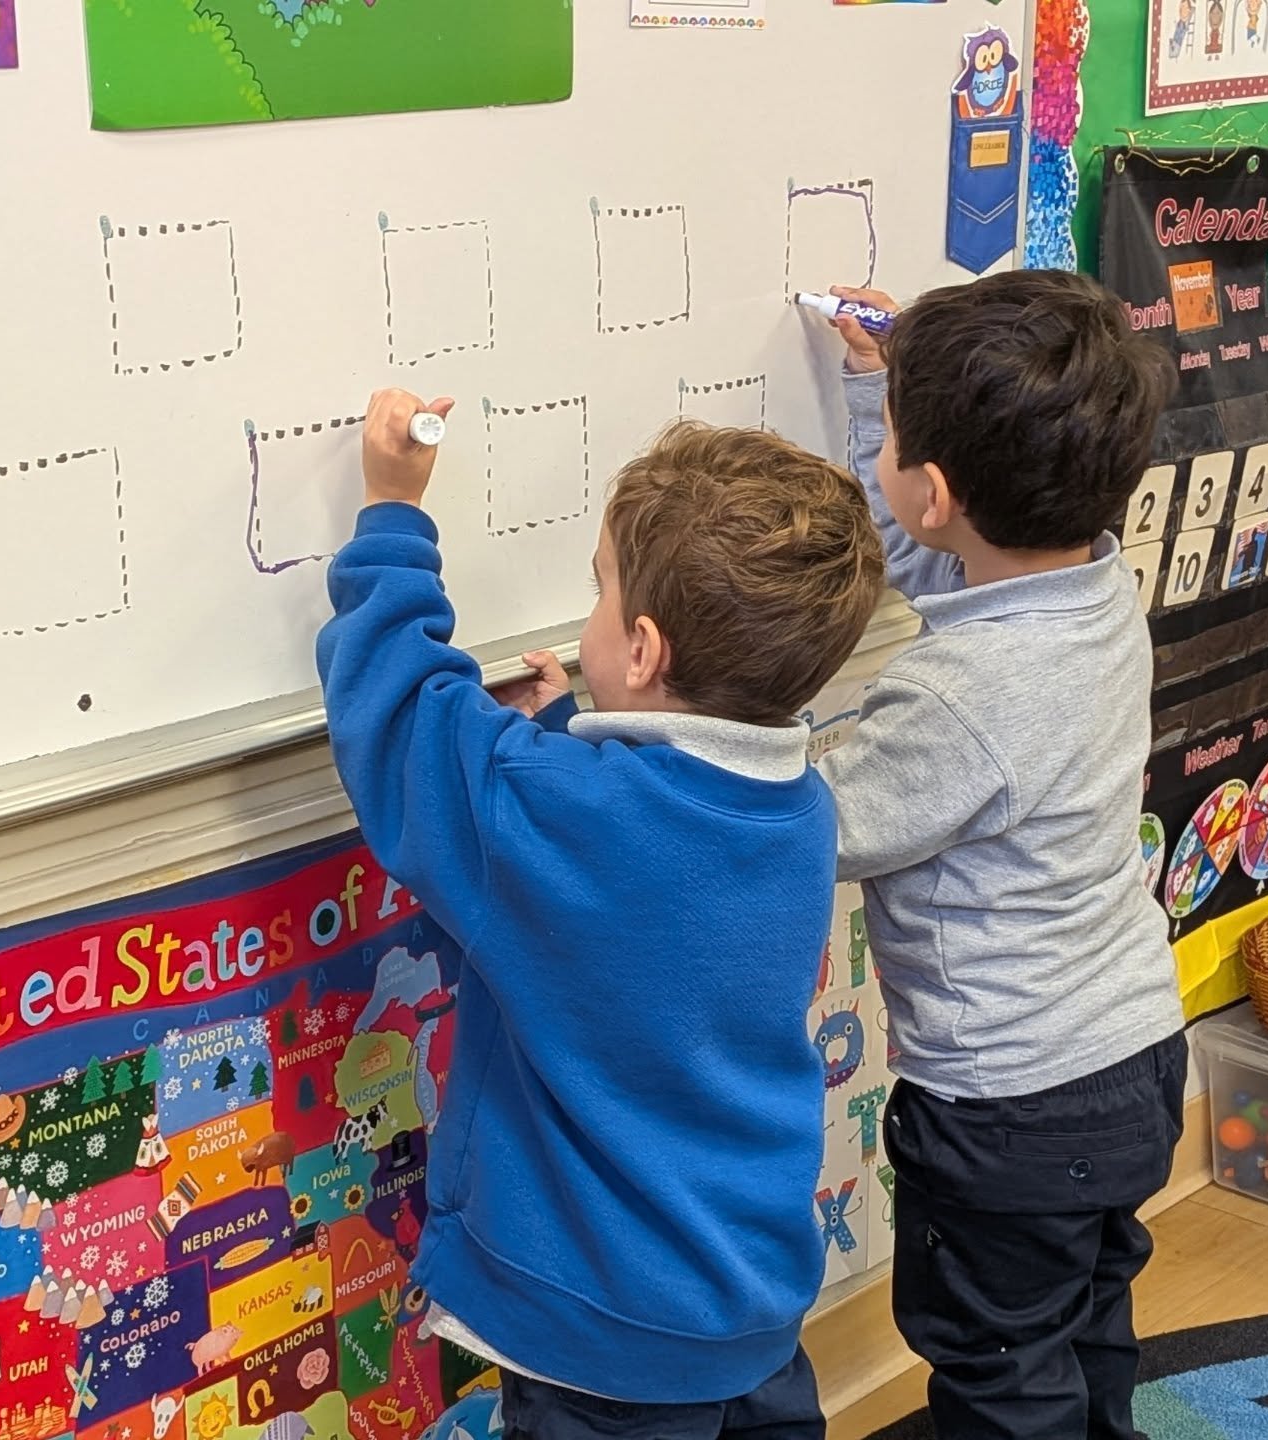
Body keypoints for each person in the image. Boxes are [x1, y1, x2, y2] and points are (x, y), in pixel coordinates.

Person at [317, 389, 883, 1436]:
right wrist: (578, 726)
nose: (588, 618)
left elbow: (398, 720)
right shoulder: (794, 805)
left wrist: (393, 512)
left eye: (600, 593)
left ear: (646, 650)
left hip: (603, 1337)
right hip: (746, 1300)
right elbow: (654, 842)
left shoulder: (558, 811)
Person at [812, 273, 1188, 1440]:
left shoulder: (960, 694)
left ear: (933, 491)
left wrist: (679, 733)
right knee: (1082, 1323)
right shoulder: (1093, 590)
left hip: (1011, 1109)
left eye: (901, 453)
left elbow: (824, 824)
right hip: (1130, 1057)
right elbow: (946, 560)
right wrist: (887, 397)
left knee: (998, 1369)